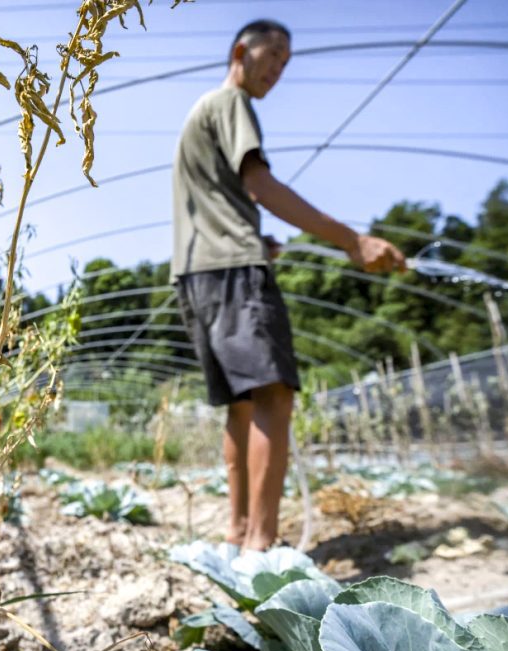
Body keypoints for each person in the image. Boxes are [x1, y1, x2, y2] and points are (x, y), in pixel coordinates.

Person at [171, 19, 406, 552]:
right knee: (274, 397)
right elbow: (261, 185)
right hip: (233, 270)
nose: (277, 69)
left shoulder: (200, 113)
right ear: (240, 52)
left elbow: (227, 201)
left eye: (286, 62)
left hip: (197, 274)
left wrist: (261, 238)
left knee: (242, 405)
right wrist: (352, 240)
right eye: (272, 54)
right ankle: (262, 545)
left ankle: (236, 535)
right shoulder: (230, 103)